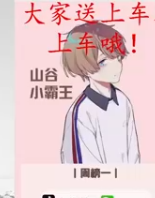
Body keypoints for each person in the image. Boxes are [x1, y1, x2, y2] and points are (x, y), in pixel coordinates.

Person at [59, 22, 140, 164]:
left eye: (118, 57)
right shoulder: (81, 112)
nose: (116, 66)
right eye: (103, 61)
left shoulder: (123, 101)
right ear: (82, 66)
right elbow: (83, 167)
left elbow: (133, 154)